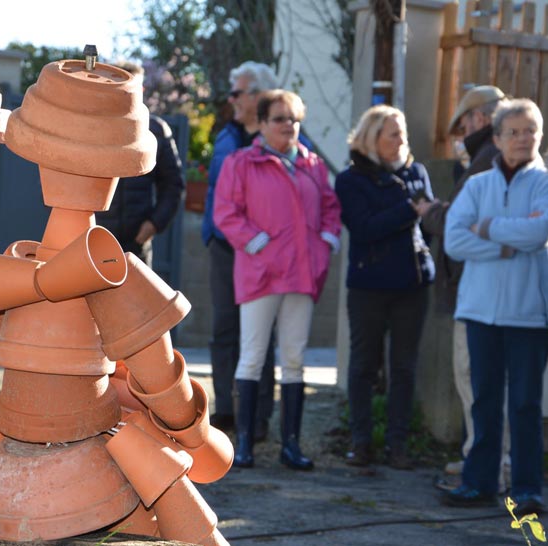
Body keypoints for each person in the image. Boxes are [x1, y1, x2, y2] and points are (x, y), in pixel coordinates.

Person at [214, 90, 341, 470]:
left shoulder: (313, 164)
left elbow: (331, 208)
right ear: (263, 123)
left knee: (294, 359)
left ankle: (292, 446)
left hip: (302, 274)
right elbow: (226, 212)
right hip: (261, 273)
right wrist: (257, 243)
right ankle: (245, 444)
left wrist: (326, 243)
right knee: (252, 357)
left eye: (294, 118)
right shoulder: (242, 162)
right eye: (280, 118)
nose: (288, 125)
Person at [441, 98, 548, 514]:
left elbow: (540, 232)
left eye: (531, 131)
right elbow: (455, 241)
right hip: (479, 310)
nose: (523, 139)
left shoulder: (543, 182)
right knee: (483, 398)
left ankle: (526, 489)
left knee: (525, 402)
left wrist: (486, 230)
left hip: (529, 314)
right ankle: (479, 482)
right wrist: (509, 244)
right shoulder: (478, 184)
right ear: (498, 137)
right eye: (515, 131)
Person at [336, 105, 435, 470]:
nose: (402, 139)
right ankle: (361, 443)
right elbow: (363, 229)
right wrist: (410, 211)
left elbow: (428, 225)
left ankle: (398, 445)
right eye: (393, 133)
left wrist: (423, 218)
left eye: (403, 132)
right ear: (372, 138)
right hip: (369, 287)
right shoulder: (350, 179)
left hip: (413, 283)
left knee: (405, 368)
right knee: (363, 366)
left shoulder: (417, 172)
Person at [420, 85, 509, 487]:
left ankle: (490, 463)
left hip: (477, 292)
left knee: (475, 377)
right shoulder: (486, 158)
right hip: (477, 289)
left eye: (467, 120)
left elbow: (456, 224)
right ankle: (484, 456)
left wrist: (430, 211)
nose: (463, 128)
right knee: (477, 379)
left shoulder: (488, 158)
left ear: (481, 118)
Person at [203, 61, 279, 437]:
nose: (231, 99)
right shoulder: (225, 136)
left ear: (259, 96)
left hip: (263, 251)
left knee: (263, 331)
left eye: (238, 92)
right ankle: (227, 410)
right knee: (224, 329)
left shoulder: (282, 137)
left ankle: (260, 415)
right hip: (224, 247)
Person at [97, 63, 184, 267]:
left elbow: (173, 184)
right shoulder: (93, 126)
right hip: (95, 239)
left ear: (142, 90)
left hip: (136, 245)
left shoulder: (156, 129)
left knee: (137, 299)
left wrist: (154, 223)